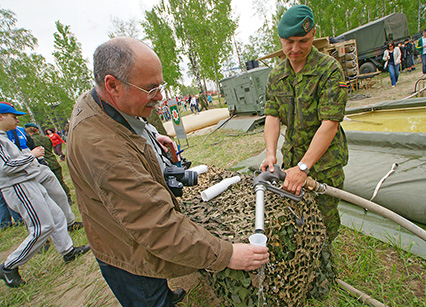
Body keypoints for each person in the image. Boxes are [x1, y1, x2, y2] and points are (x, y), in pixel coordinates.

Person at [66, 36, 269, 306]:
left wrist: (149, 136)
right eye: (150, 89)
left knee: (155, 282)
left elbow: (120, 123)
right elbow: (156, 225)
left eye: (160, 86)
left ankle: (164, 294)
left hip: (124, 230)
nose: (160, 96)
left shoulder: (101, 102)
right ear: (112, 85)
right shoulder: (104, 151)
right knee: (148, 293)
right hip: (124, 250)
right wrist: (227, 254)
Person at [260, 5, 348, 242]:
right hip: (292, 159)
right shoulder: (276, 75)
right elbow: (272, 116)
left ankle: (326, 265)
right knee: (296, 216)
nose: (295, 49)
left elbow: (330, 123)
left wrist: (303, 168)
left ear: (313, 35)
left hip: (324, 164)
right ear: (280, 39)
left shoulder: (329, 70)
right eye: (289, 42)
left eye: (303, 40)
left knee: (324, 220)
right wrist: (270, 154)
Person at [0, 104, 90, 288]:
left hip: (29, 182)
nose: (17, 119)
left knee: (57, 216)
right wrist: (31, 156)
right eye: (13, 115)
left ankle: (68, 251)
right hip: (19, 186)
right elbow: (6, 166)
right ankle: (9, 266)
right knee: (42, 227)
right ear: (1, 117)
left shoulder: (5, 138)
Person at [25, 123, 72, 204]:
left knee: (49, 187)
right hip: (53, 162)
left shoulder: (29, 141)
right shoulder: (45, 138)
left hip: (42, 165)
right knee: (61, 182)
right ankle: (68, 198)